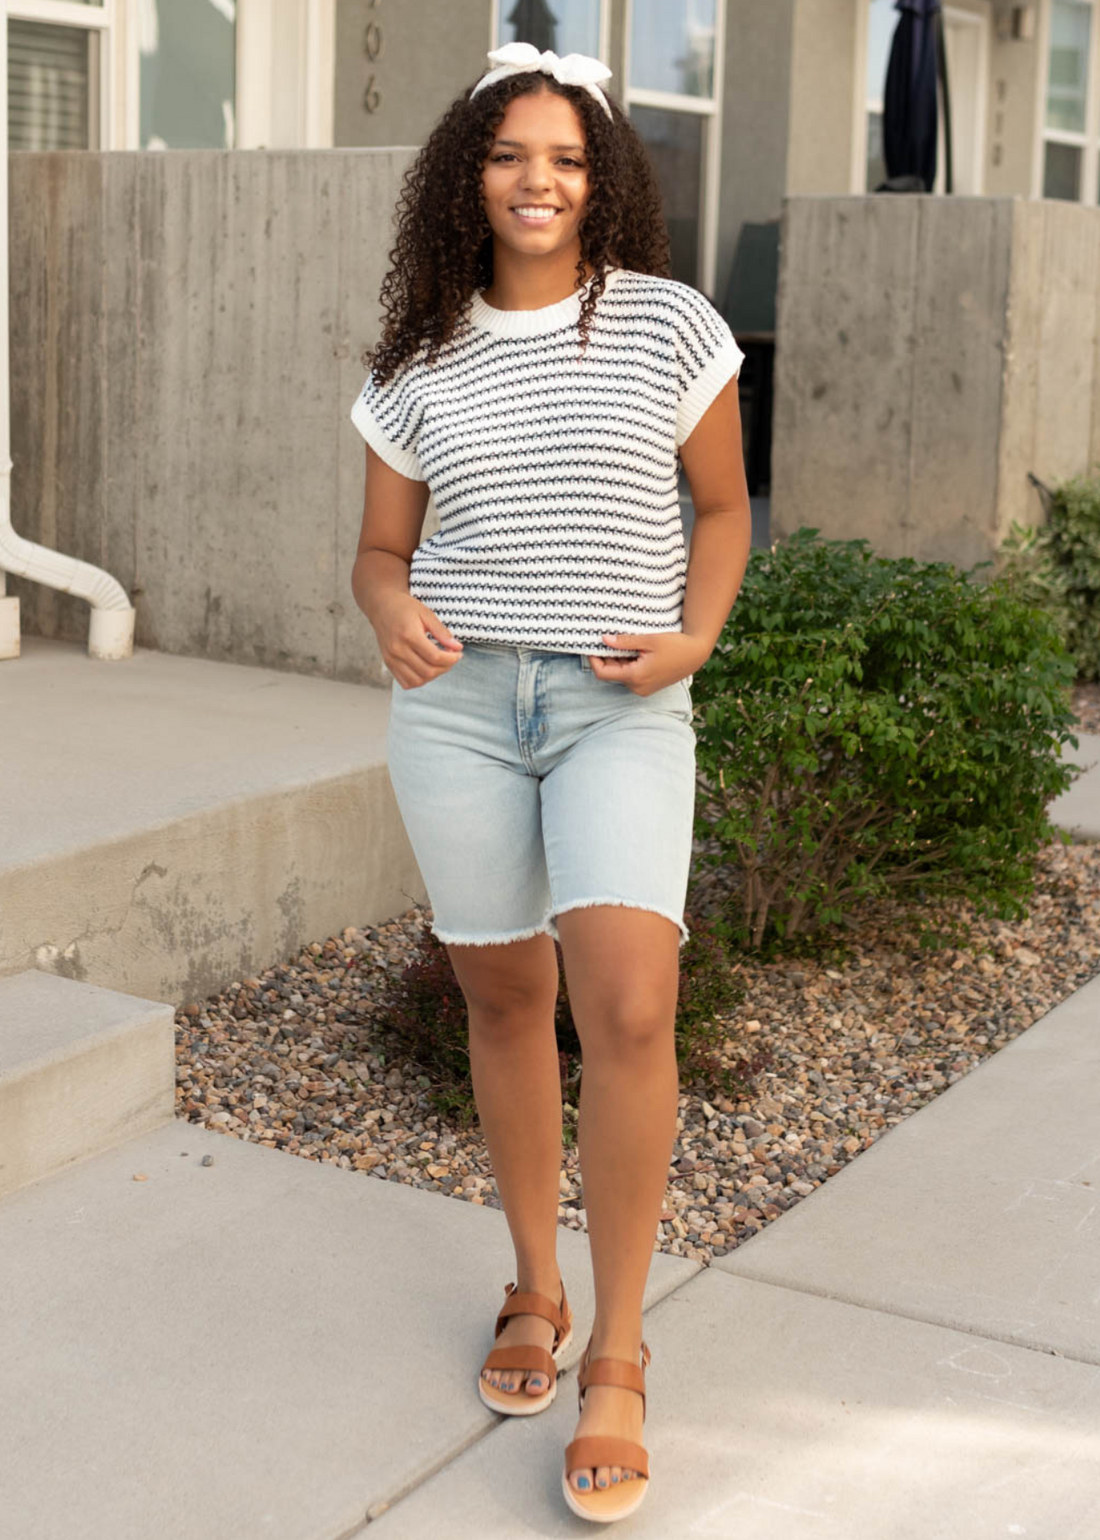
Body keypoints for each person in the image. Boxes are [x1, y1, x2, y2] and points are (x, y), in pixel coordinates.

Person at [348, 39, 751, 1524]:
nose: (539, 180)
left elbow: (721, 507)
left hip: (617, 706)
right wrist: (389, 611)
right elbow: (380, 550)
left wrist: (696, 636)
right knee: (504, 997)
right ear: (471, 175)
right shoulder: (420, 355)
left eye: (567, 159)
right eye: (512, 156)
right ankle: (533, 1286)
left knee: (630, 1001)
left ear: (601, 184)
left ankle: (622, 1353)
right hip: (456, 709)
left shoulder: (664, 327)